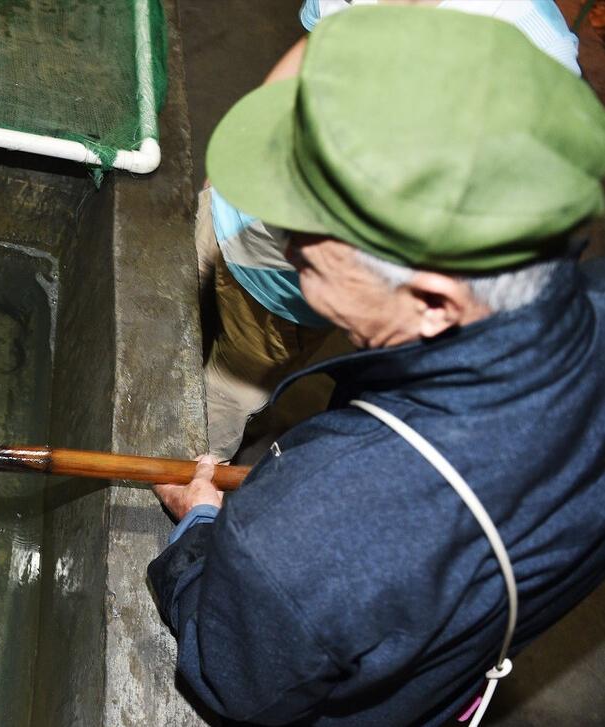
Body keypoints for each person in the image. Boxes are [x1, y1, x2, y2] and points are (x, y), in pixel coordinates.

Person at [153, 6, 605, 726]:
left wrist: (200, 534)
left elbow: (231, 674)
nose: (292, 263)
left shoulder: (302, 534)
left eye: (306, 252)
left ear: (430, 300)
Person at [200, 0, 582, 463]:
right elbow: (313, 48)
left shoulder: (532, 52)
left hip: (283, 286)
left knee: (222, 395)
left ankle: (195, 462)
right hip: (237, 215)